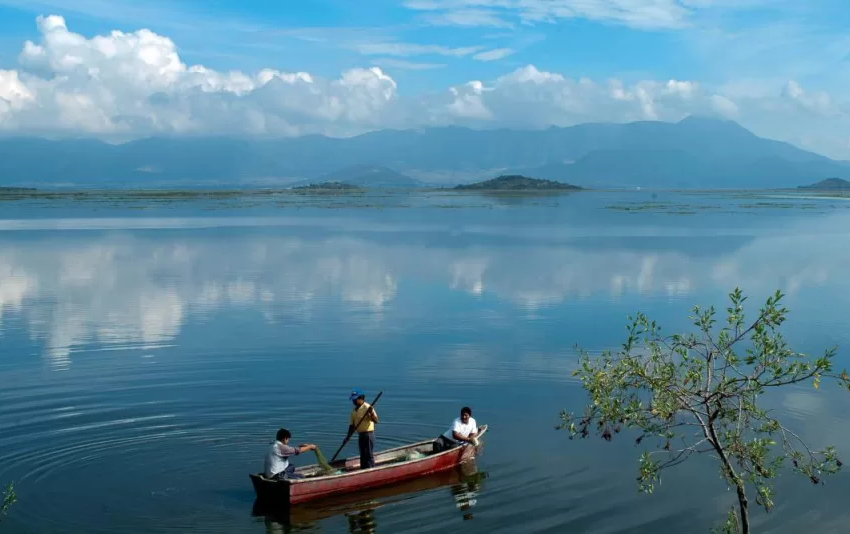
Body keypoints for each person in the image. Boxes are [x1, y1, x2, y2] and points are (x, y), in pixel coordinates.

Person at [348, 388, 379, 469]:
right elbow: (351, 426)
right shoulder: (353, 411)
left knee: (368, 454)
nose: (353, 402)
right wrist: (347, 437)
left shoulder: (368, 407)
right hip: (361, 435)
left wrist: (371, 413)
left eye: (355, 400)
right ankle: (363, 469)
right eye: (353, 400)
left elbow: (376, 421)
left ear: (360, 399)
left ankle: (371, 469)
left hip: (368, 434)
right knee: (362, 454)